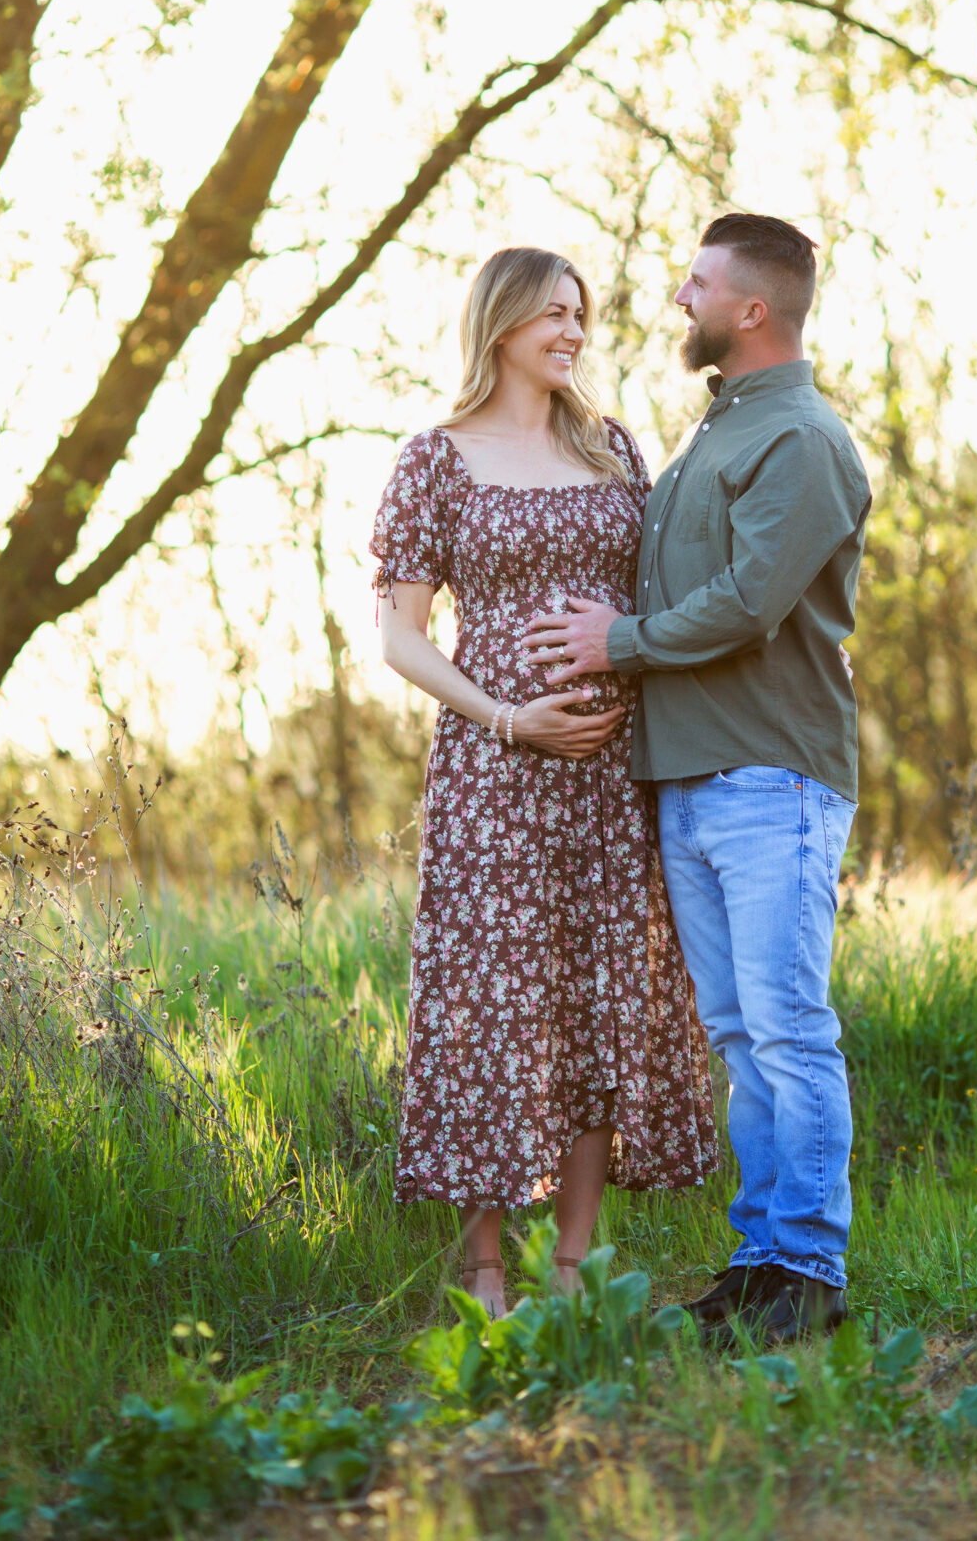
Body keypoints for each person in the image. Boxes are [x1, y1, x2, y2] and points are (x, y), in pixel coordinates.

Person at [523, 212, 870, 1345]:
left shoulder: (801, 441)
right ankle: (761, 1260)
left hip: (772, 776)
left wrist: (613, 643)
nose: (680, 297)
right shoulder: (714, 437)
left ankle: (807, 1273)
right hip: (692, 780)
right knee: (738, 1033)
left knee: (785, 1028)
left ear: (751, 309)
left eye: (698, 282)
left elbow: (747, 602)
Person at [371, 247, 716, 1319]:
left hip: (612, 779)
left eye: (580, 314)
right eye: (552, 314)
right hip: (493, 776)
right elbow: (397, 636)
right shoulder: (435, 459)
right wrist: (508, 716)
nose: (571, 331)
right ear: (501, 322)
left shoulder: (610, 447)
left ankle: (571, 1269)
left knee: (594, 1004)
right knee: (489, 1009)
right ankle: (484, 1269)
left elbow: (660, 594)